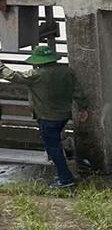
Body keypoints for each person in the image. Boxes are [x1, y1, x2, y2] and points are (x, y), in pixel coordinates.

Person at [0, 45, 91, 188]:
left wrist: (0, 67)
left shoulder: (36, 75)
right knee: (56, 144)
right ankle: (63, 171)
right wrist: (83, 108)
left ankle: (66, 179)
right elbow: (77, 91)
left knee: (53, 148)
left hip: (47, 117)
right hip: (63, 115)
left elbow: (12, 76)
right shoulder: (67, 71)